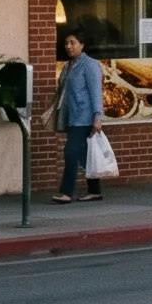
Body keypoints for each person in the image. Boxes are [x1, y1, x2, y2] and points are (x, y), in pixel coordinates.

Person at [54, 29, 104, 204]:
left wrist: (98, 117)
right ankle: (95, 190)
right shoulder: (68, 66)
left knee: (70, 151)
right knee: (84, 155)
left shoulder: (90, 65)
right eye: (66, 43)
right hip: (71, 116)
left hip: (85, 116)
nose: (69, 46)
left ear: (82, 45)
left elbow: (96, 92)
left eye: (73, 43)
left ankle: (66, 192)